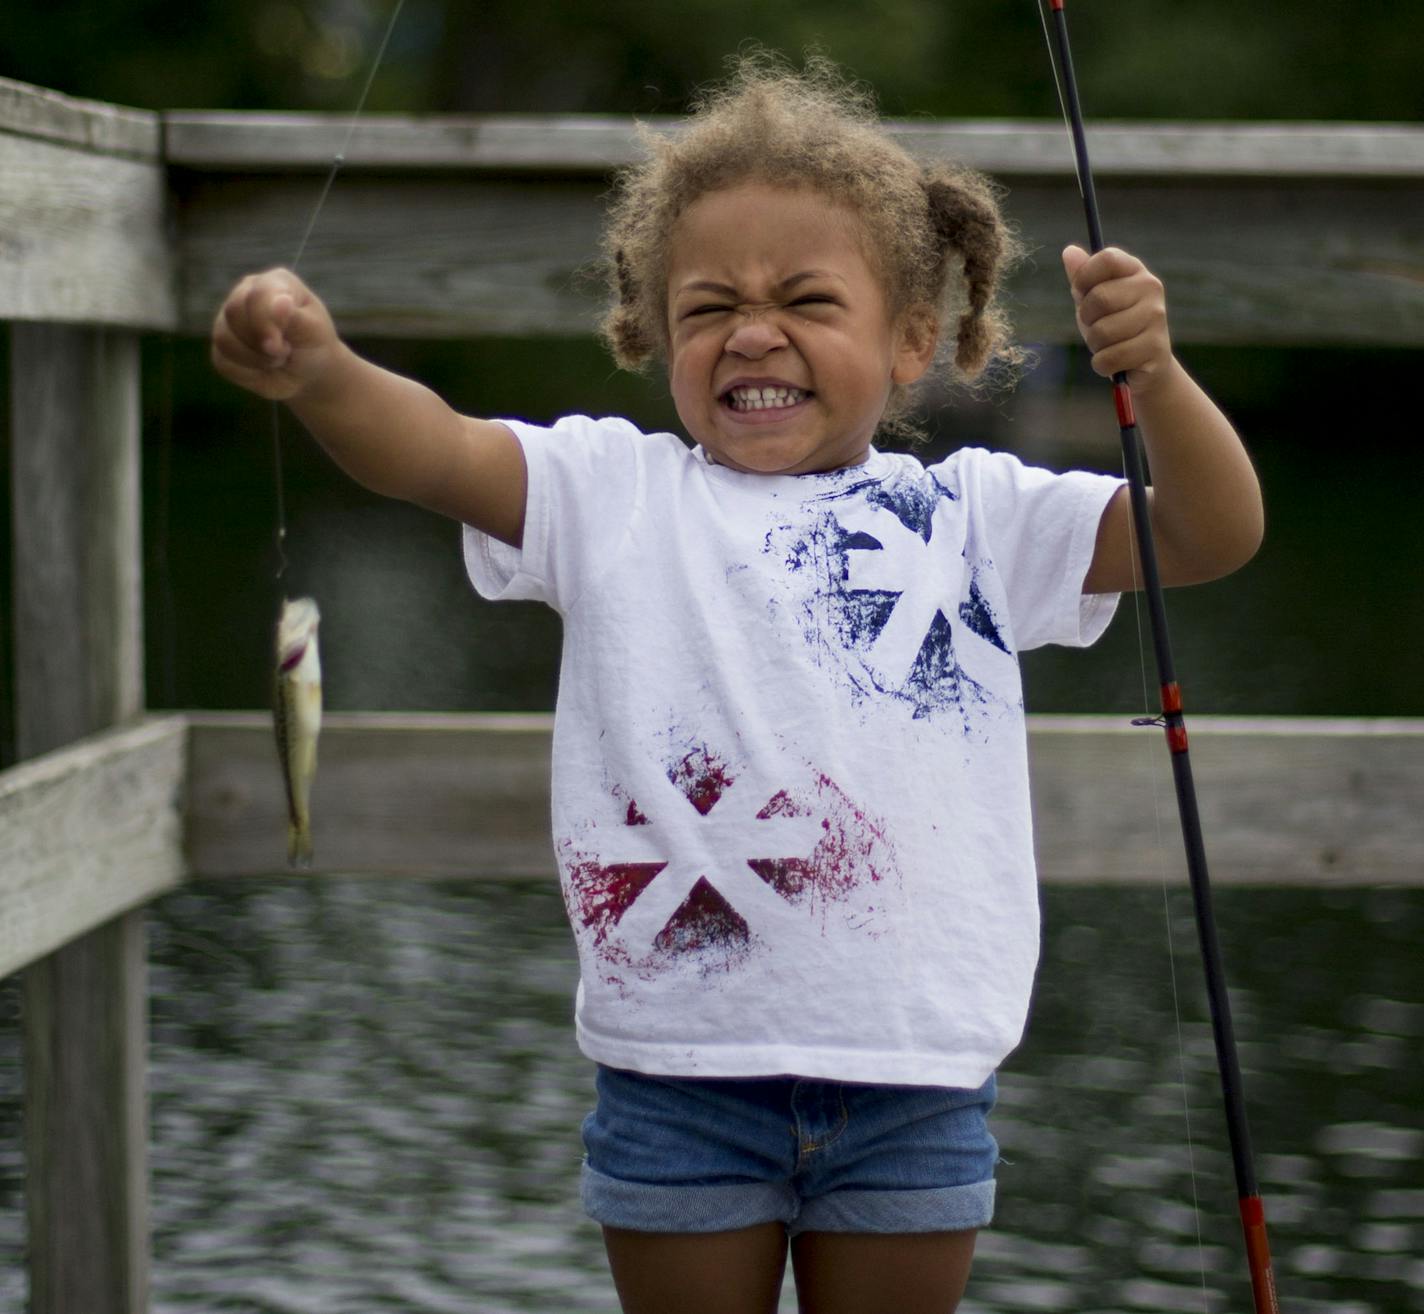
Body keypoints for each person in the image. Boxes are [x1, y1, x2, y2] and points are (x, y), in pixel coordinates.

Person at [212, 54, 1262, 1314]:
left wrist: (1153, 373)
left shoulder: (978, 517)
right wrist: (321, 369)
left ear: (912, 338)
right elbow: (427, 451)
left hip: (913, 1078)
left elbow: (1208, 532)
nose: (751, 332)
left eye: (807, 300)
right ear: (655, 334)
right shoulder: (607, 494)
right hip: (676, 1080)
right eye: (706, 307)